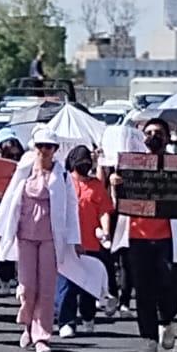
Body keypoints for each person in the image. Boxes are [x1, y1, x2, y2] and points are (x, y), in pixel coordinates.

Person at [0, 130, 81, 352]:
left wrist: (75, 239)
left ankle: (42, 336)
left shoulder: (62, 175)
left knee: (47, 288)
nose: (44, 151)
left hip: (50, 237)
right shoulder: (24, 171)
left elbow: (71, 208)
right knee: (28, 287)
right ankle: (28, 323)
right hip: (25, 236)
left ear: (55, 150)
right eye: (40, 146)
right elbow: (9, 201)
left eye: (49, 147)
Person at [110, 119, 177, 352]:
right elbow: (117, 204)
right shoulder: (132, 165)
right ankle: (149, 336)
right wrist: (115, 184)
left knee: (169, 285)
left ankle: (166, 320)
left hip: (168, 237)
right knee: (143, 289)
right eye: (149, 133)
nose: (153, 136)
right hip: (137, 237)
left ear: (166, 138)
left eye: (158, 133)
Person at [56, 145, 115, 338]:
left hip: (91, 243)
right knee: (67, 285)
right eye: (81, 162)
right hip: (67, 244)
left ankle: (88, 317)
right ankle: (66, 321)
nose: (85, 165)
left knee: (89, 285)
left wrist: (106, 230)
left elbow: (104, 210)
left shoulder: (96, 185)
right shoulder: (63, 182)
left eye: (87, 162)